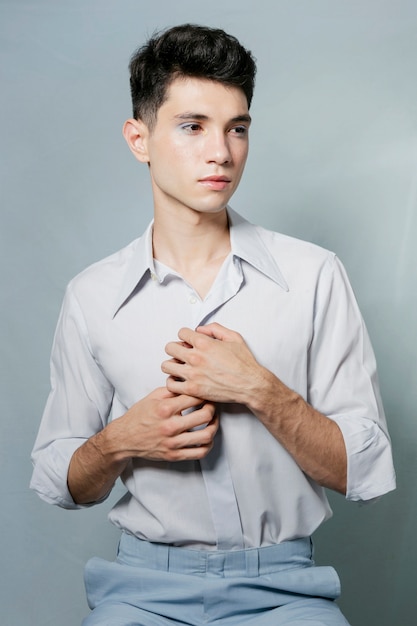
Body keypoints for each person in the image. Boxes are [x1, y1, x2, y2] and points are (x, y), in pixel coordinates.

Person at [31, 23, 396, 626]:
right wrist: (122, 439)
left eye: (238, 128)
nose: (221, 153)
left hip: (286, 591)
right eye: (192, 126)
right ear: (138, 138)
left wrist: (260, 389)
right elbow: (60, 482)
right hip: (140, 589)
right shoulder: (92, 296)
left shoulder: (313, 275)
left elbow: (365, 469)